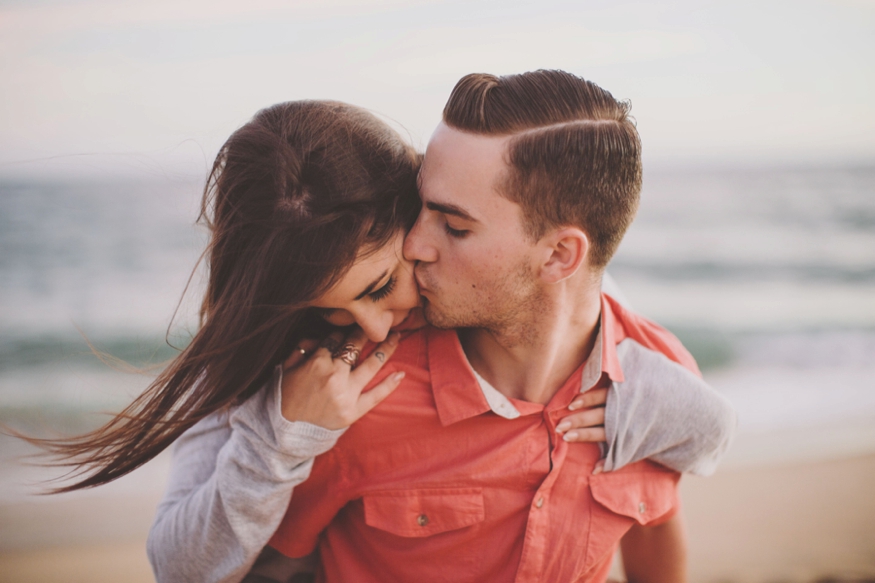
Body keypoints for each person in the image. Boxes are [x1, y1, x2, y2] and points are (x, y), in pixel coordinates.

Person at [32, 98, 731, 582]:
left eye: (378, 285)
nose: (373, 327)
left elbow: (653, 494)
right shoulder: (311, 374)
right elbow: (189, 567)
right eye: (335, 311)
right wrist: (275, 442)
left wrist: (697, 419)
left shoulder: (620, 355)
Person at [264, 71, 736, 583]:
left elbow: (655, 521)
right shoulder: (356, 394)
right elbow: (275, 569)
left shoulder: (659, 384)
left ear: (559, 255)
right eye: (420, 206)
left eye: (455, 226)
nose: (414, 245)